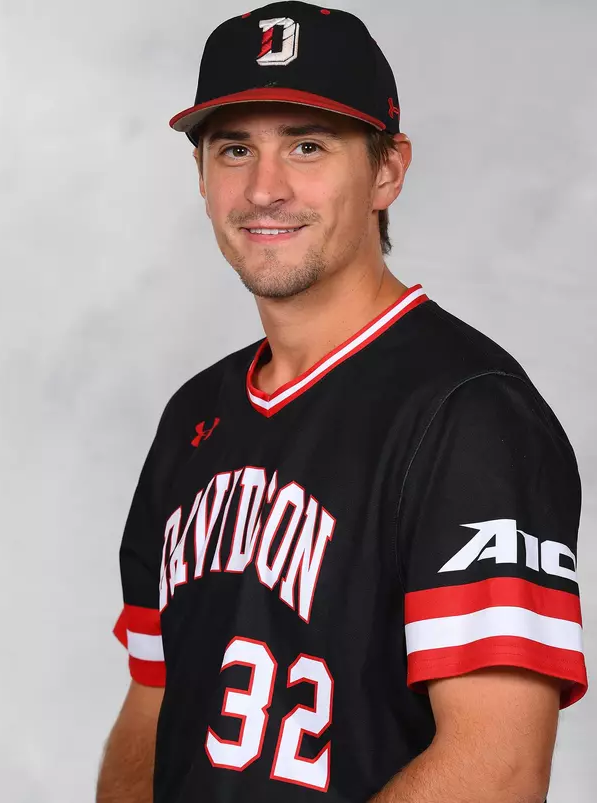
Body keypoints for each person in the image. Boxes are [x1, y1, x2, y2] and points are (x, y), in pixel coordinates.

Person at [96, 3, 588, 802]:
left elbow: (496, 769)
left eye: (306, 145)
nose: (263, 187)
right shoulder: (192, 417)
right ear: (201, 175)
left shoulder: (470, 414)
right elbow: (152, 706)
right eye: (234, 149)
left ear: (387, 170)